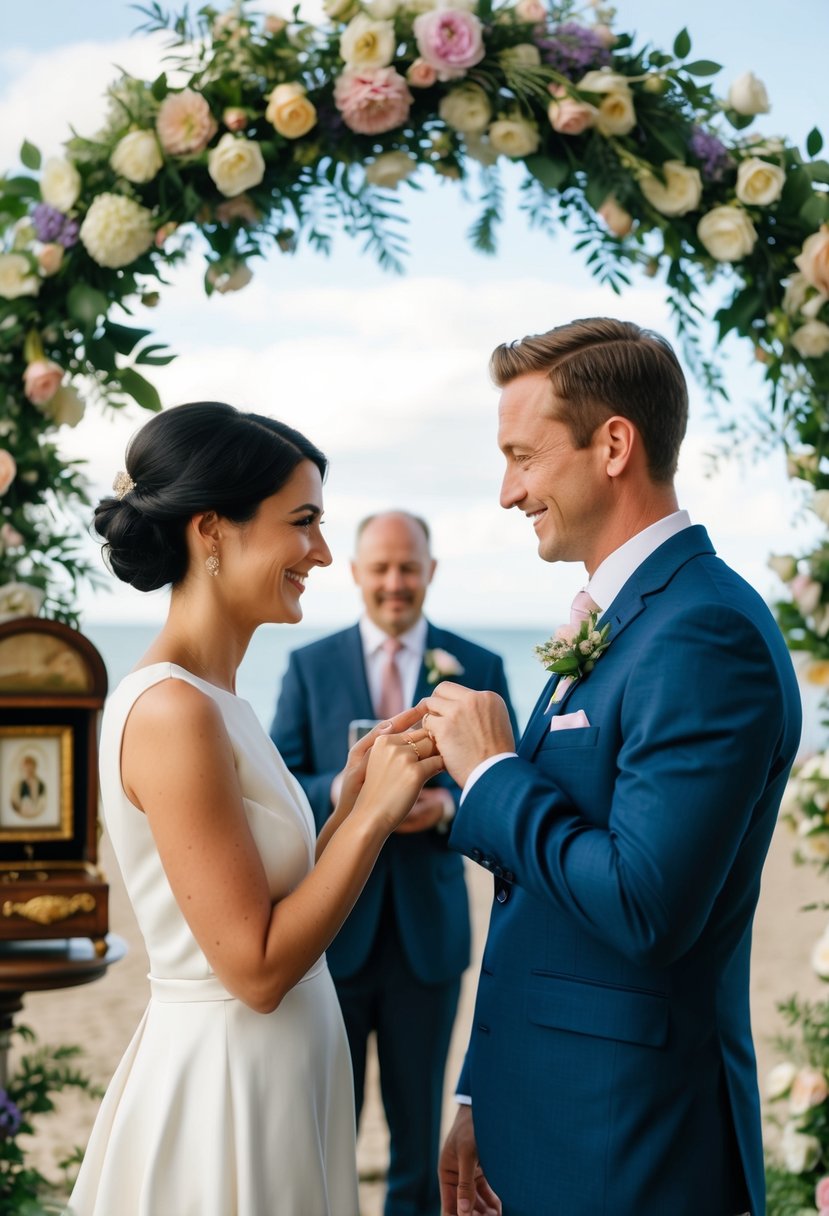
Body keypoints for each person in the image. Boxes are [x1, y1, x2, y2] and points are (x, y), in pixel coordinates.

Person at [424, 318, 802, 1216]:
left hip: (629, 1136)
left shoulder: (704, 632)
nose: (508, 491)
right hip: (548, 1107)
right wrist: (482, 1091)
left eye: (523, 455)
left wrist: (487, 776)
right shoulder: (618, 615)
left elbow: (643, 904)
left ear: (614, 445)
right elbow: (535, 901)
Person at [69, 403, 445, 1216]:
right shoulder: (174, 712)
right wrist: (377, 817)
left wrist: (347, 802)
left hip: (285, 1069)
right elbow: (256, 967)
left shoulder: (220, 699)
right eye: (302, 522)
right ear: (212, 531)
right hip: (228, 1082)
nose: (319, 552)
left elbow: (279, 898)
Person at [272, 510, 516, 1216]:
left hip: (427, 943)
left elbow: (510, 790)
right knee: (323, 1130)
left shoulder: (479, 668)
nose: (393, 583)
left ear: (430, 572)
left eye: (407, 567)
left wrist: (444, 811)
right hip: (330, 939)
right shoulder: (307, 666)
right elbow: (285, 784)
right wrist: (348, 793)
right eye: (379, 568)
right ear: (353, 574)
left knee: (418, 1138)